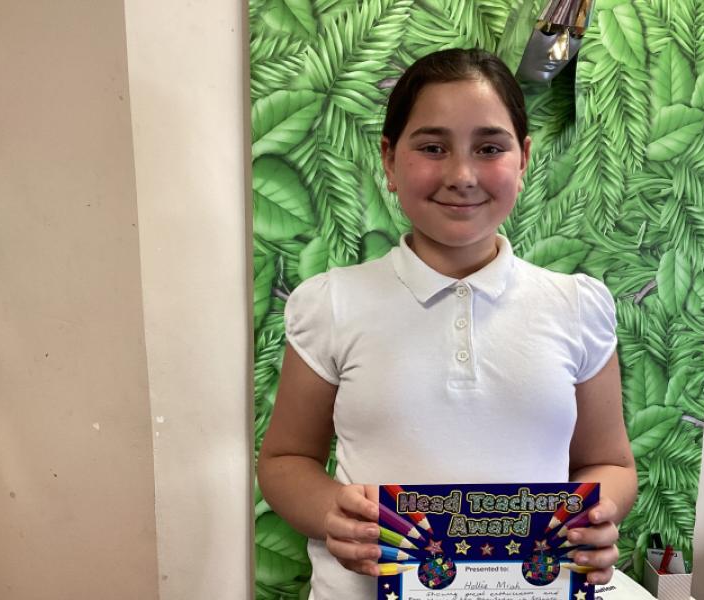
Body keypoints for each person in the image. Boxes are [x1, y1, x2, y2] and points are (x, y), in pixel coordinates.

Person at [257, 48, 638, 600]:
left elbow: (608, 462)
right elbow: (285, 459)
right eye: (433, 147)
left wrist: (595, 516)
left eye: (490, 148)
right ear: (390, 160)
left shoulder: (576, 305)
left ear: (524, 159)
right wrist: (331, 513)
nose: (462, 176)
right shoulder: (331, 302)